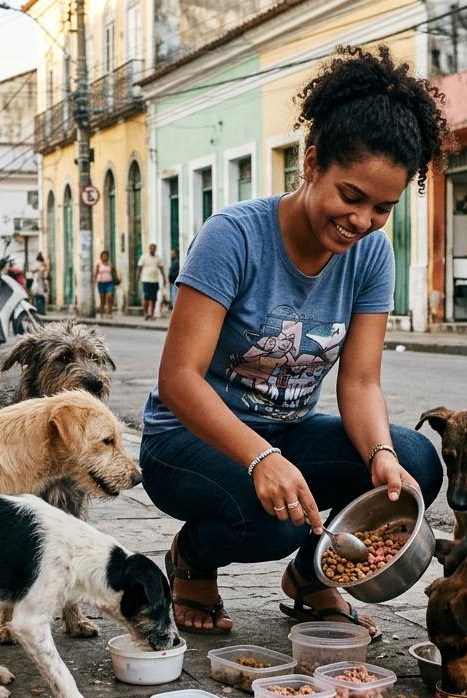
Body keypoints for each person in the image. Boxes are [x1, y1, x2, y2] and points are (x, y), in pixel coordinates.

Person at [139, 46, 447, 636]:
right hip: (186, 441)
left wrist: (380, 455)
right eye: (351, 197)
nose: (361, 221)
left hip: (285, 435)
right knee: (273, 519)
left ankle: (313, 577)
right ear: (311, 164)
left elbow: (359, 382)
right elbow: (177, 380)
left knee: (413, 465)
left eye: (382, 208)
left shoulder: (370, 255)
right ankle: (193, 559)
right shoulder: (233, 238)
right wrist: (260, 457)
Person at [139, 243, 165, 321]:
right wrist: (137, 278)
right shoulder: (144, 257)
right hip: (146, 280)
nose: (152, 249)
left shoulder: (158, 258)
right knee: (146, 298)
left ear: (155, 249)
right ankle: (146, 313)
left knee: (154, 299)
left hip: (155, 280)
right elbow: (139, 268)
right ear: (149, 249)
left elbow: (161, 269)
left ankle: (152, 314)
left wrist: (164, 279)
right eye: (151, 248)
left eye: (154, 248)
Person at [95, 250, 116, 318]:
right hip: (101, 283)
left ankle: (109, 313)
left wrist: (115, 279)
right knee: (102, 299)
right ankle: (102, 314)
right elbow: (96, 273)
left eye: (106, 256)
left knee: (109, 297)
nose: (105, 257)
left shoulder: (110, 264)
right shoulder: (99, 265)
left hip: (109, 283)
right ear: (101, 257)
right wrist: (94, 280)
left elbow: (113, 272)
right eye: (103, 256)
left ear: (108, 257)